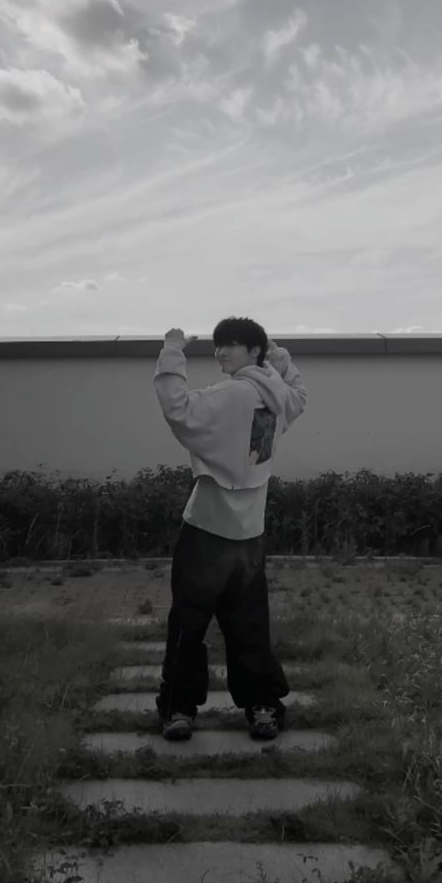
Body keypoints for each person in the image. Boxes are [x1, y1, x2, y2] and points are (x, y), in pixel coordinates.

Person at [152, 316, 308, 742]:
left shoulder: (231, 392)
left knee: (188, 624)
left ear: (251, 351)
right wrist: (276, 354)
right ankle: (263, 707)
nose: (221, 352)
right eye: (219, 345)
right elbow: (300, 393)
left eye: (232, 345)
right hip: (250, 531)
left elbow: (177, 408)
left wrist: (172, 349)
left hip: (206, 527)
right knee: (250, 625)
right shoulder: (279, 396)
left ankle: (178, 709)